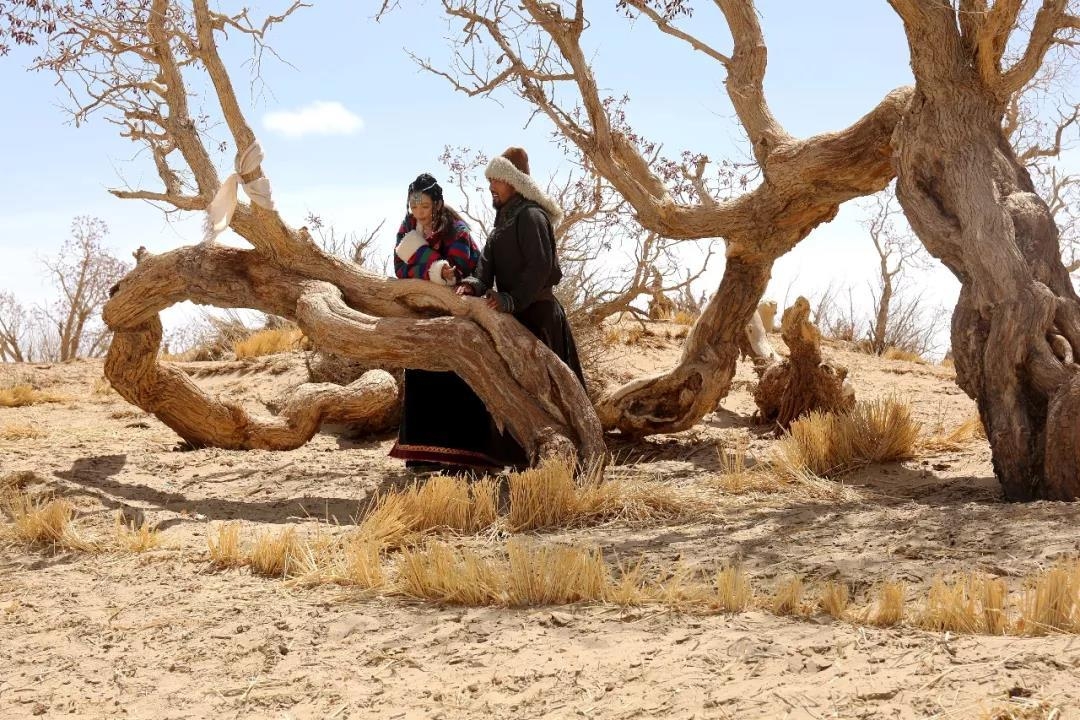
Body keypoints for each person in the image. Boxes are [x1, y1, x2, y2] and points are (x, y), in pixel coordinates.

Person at [388, 173, 505, 473]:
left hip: (455, 314)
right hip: (421, 311)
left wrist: (438, 269)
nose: (417, 211)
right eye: (413, 205)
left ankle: (464, 459)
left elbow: (466, 267)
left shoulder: (457, 229)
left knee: (459, 381)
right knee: (420, 373)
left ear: (437, 204)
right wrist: (435, 267)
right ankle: (423, 455)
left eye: (424, 205)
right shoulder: (406, 226)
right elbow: (400, 265)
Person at [456, 147, 585, 387]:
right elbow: (484, 269)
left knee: (555, 394)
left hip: (541, 319)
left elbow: (541, 266)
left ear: (515, 182)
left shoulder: (532, 216)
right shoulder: (499, 228)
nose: (491, 187)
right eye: (490, 180)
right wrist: (471, 286)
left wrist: (512, 299)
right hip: (514, 319)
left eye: (498, 180)